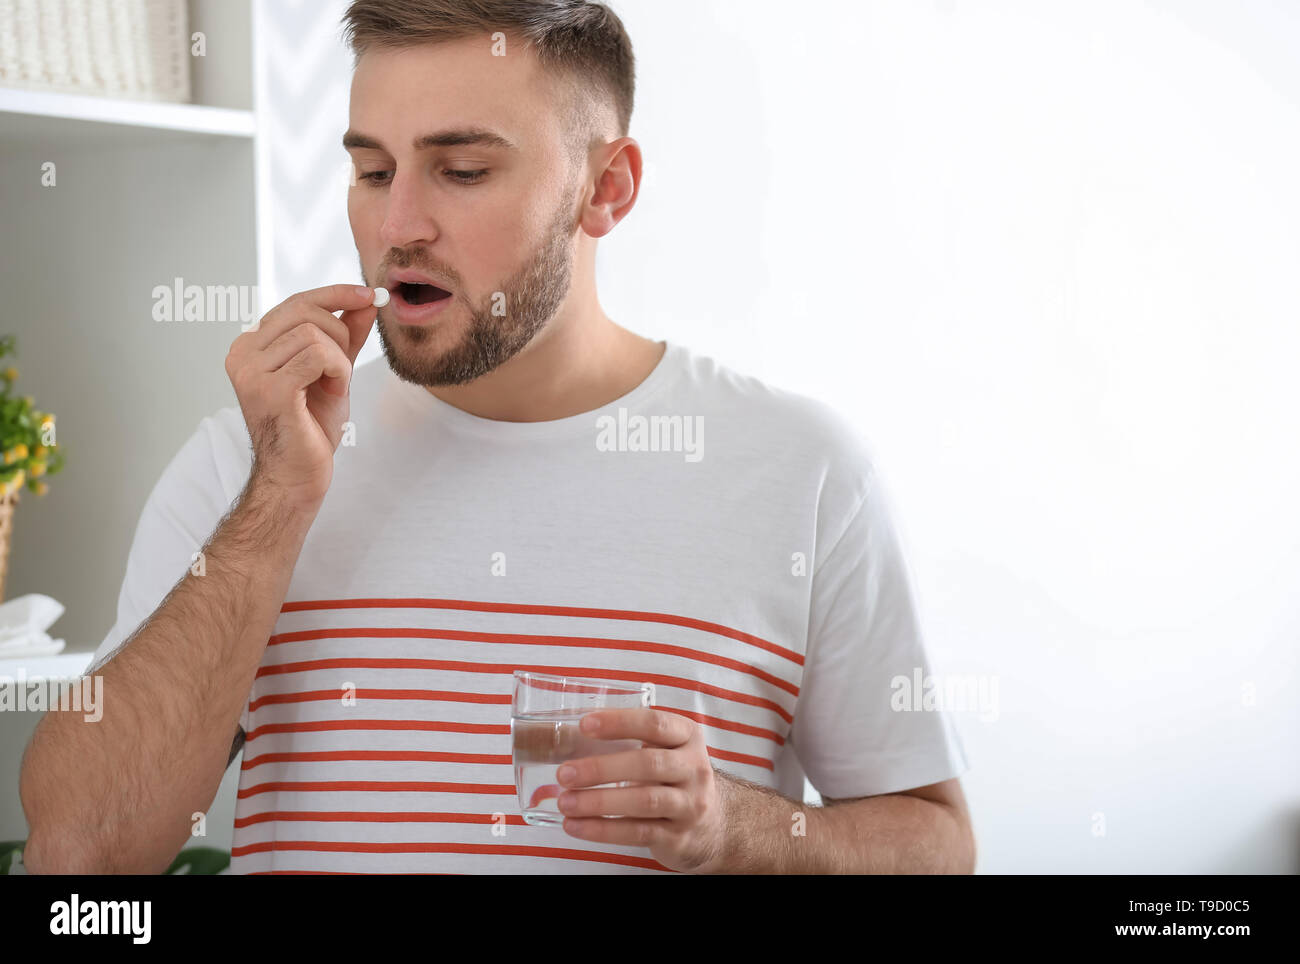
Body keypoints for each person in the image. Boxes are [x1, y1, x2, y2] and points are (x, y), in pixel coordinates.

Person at [20, 0, 973, 874]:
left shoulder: (804, 474)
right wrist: (276, 507)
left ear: (607, 187)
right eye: (372, 170)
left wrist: (733, 826)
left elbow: (936, 846)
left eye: (462, 170)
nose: (396, 226)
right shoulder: (250, 463)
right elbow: (83, 852)